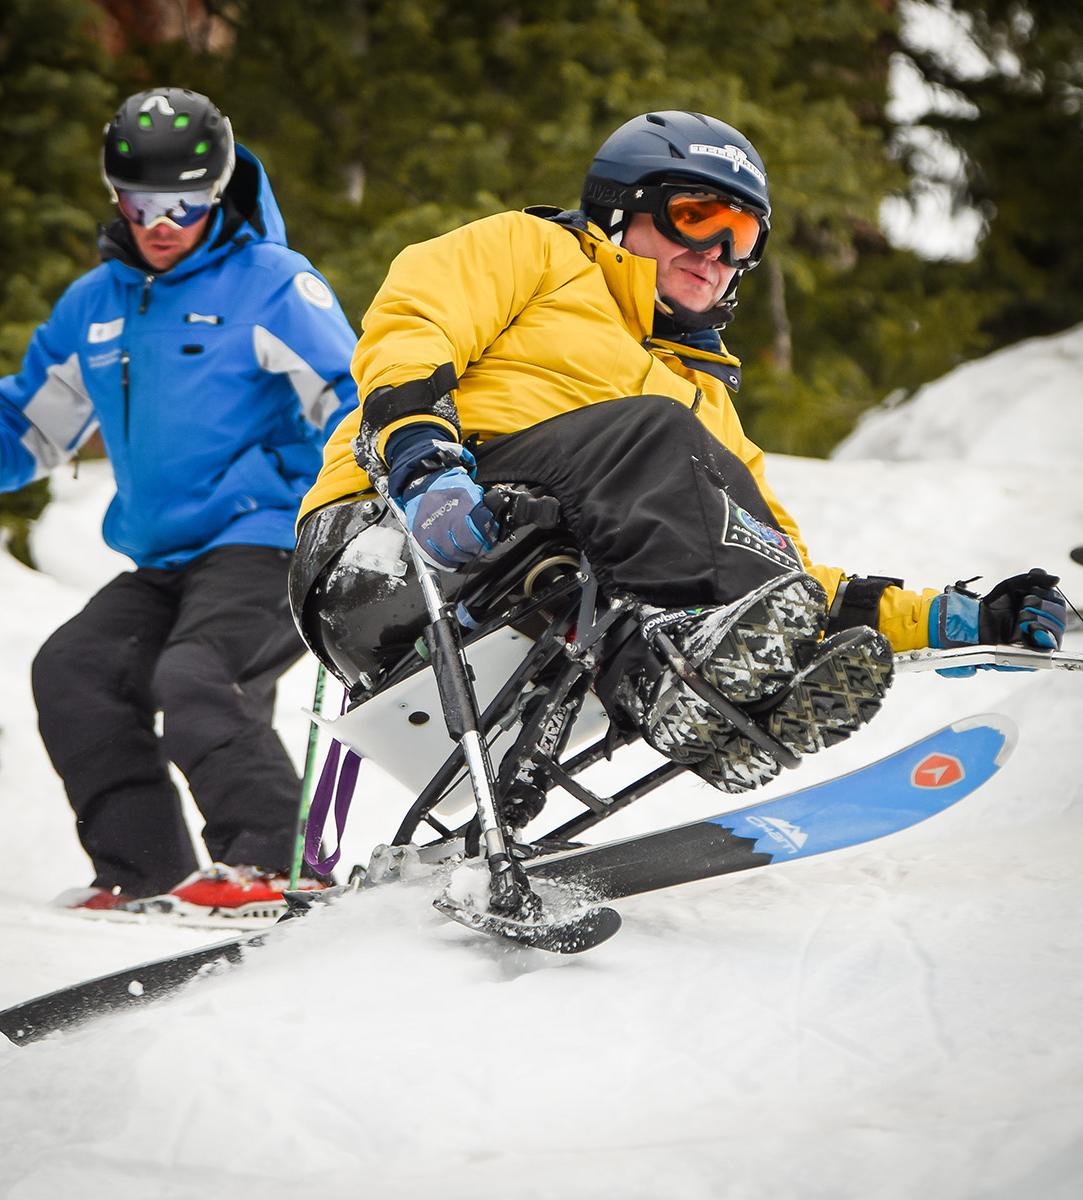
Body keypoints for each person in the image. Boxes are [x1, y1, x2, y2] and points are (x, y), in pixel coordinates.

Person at [290, 110, 1065, 795]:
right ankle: (689, 667)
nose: (717, 253)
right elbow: (412, 325)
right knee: (654, 433)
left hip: (551, 595)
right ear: (622, 208)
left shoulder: (705, 404)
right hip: (396, 546)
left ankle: (692, 682)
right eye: (696, 218)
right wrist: (424, 462)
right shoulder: (533, 249)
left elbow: (768, 561)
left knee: (717, 508)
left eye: (742, 238)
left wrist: (947, 617)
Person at [0, 88, 359, 919]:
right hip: (167, 555)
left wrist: (369, 492)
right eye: (143, 202)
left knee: (196, 674)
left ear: (220, 189)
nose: (163, 223)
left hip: (268, 537)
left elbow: (352, 394)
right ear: (116, 195)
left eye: (186, 204)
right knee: (75, 670)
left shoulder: (272, 284)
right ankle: (144, 873)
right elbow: (30, 420)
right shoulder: (96, 304)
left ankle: (278, 864)